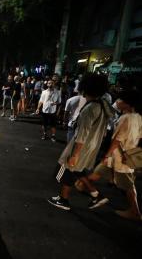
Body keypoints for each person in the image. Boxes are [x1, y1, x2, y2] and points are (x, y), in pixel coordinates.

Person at [48, 73, 114, 211]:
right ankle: (93, 194)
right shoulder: (102, 105)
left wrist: (75, 154)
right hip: (92, 146)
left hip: (81, 146)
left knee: (66, 171)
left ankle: (65, 200)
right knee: (76, 171)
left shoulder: (90, 109)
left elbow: (82, 134)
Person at [84, 90, 142, 220]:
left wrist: (107, 155)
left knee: (128, 186)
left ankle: (135, 212)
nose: (117, 102)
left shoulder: (125, 118)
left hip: (120, 158)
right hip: (127, 155)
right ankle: (84, 186)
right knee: (97, 173)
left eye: (120, 100)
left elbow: (117, 140)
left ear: (127, 104)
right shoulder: (138, 117)